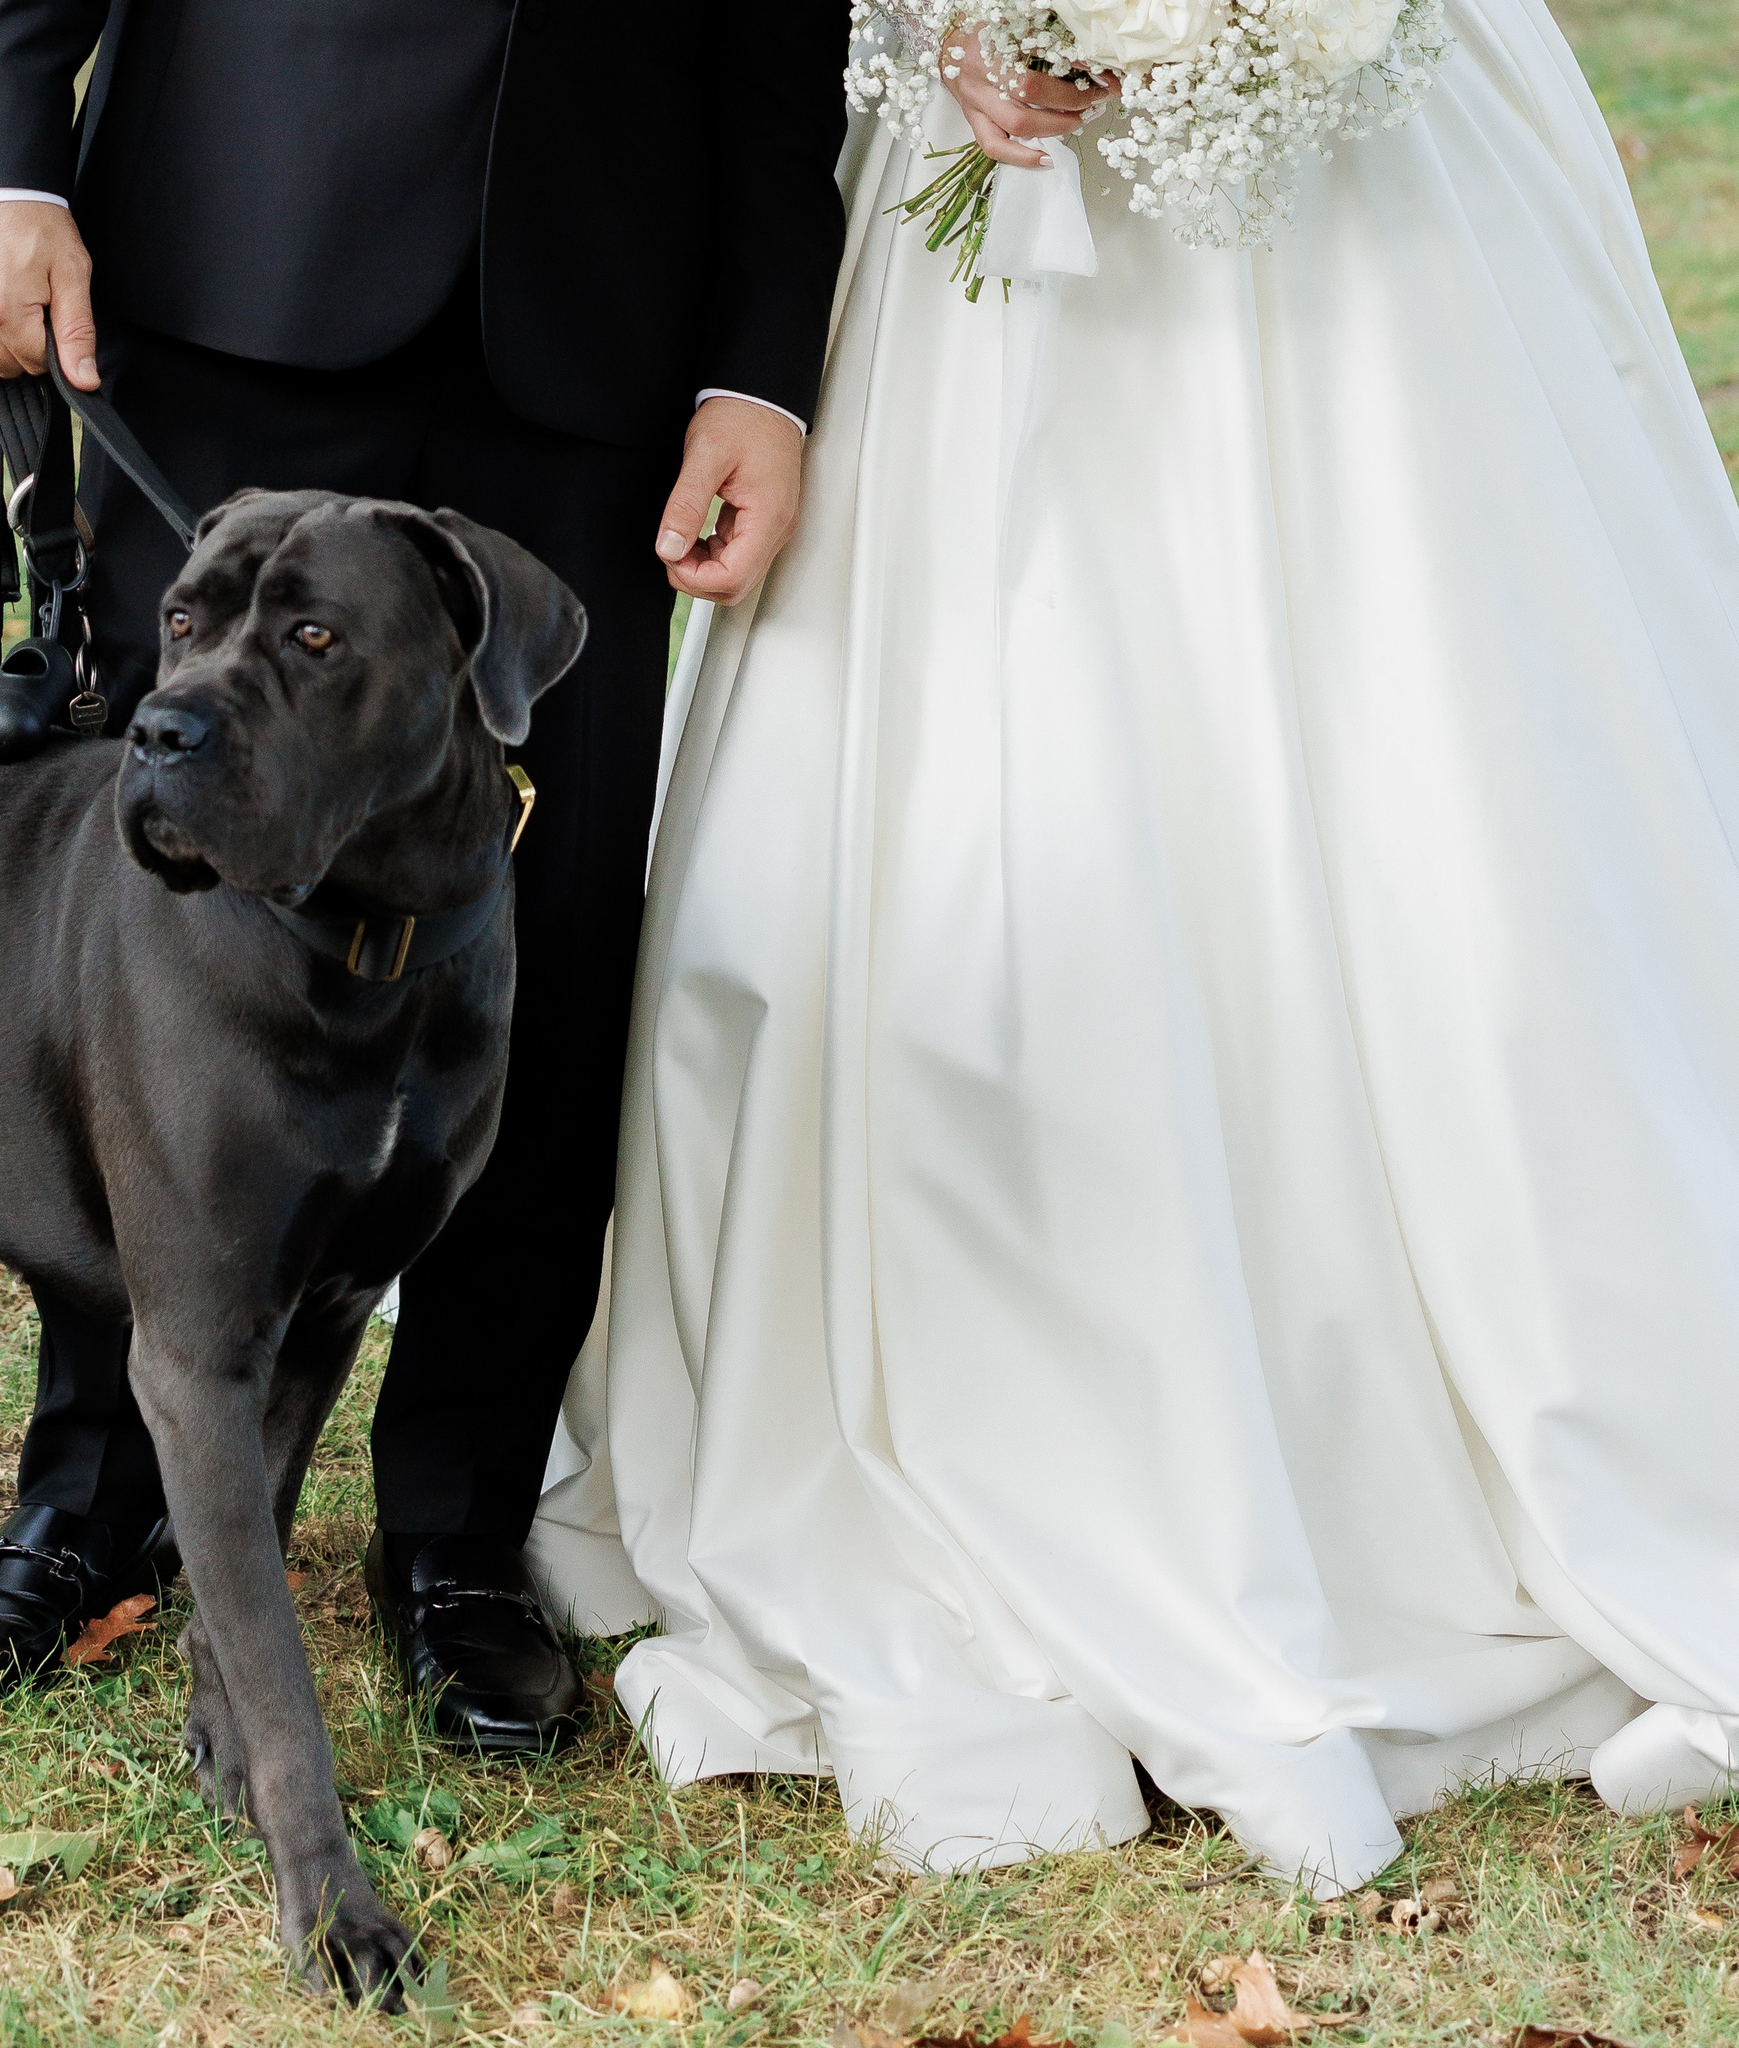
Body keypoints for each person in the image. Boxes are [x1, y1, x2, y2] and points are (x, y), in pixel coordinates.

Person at [532, 0, 1739, 1886]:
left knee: (1440, 736)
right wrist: (955, 19)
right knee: (1004, 753)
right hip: (977, 199)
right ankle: (995, 1415)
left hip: (1371, 205)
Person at [0, 0, 849, 1753]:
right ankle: (96, 1492)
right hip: (227, 243)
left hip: (597, 328)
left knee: (540, 949)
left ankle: (459, 1531)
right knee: (155, 941)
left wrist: (761, 363)